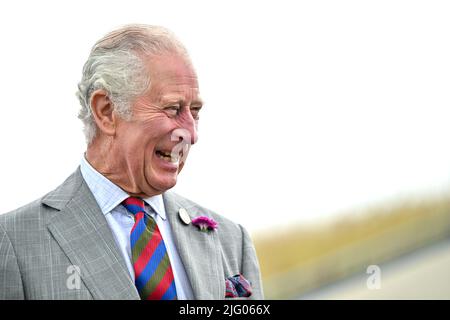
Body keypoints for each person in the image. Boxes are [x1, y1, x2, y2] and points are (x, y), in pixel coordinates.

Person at [0, 24, 264, 300]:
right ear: (106, 111)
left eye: (194, 111)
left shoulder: (232, 241)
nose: (191, 134)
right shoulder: (14, 242)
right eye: (173, 109)